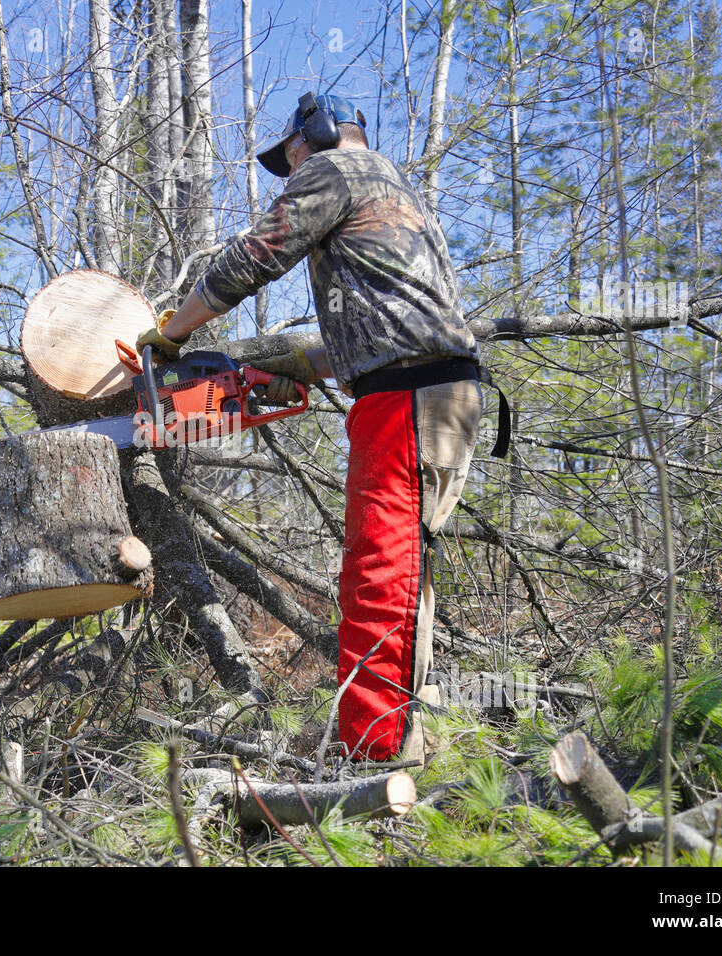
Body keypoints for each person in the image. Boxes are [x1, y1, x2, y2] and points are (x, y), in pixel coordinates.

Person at [137, 92, 485, 762]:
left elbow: (257, 255)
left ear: (318, 133)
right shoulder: (391, 190)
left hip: (409, 399)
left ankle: (370, 753)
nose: (288, 171)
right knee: (400, 572)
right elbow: (396, 324)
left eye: (289, 155)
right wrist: (305, 362)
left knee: (381, 573)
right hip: (421, 390)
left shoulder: (336, 172)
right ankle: (400, 738)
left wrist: (172, 334)